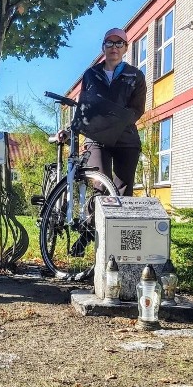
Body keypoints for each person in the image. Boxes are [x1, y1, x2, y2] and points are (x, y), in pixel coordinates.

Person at [61, 27, 147, 255]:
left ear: (126, 48)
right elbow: (84, 109)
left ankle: (115, 248)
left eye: (119, 43)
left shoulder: (135, 76)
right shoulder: (91, 75)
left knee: (122, 192)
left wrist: (115, 122)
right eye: (110, 43)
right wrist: (72, 131)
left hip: (125, 140)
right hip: (96, 139)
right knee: (101, 187)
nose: (114, 48)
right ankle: (88, 234)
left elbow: (137, 110)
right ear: (103, 48)